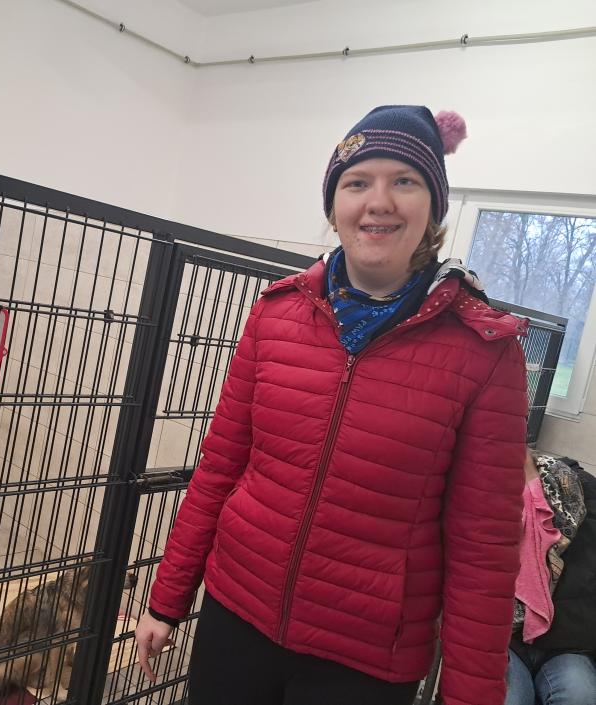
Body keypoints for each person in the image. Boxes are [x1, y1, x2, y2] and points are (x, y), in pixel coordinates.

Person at [133, 105, 530, 705]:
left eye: (404, 181)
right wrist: (167, 600)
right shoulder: (276, 314)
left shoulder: (484, 351)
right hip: (236, 614)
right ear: (334, 205)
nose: (379, 202)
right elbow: (220, 469)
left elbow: (484, 546)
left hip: (367, 657)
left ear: (433, 206)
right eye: (357, 182)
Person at [505, 451, 596, 705]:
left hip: (567, 647)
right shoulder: (497, 499)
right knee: (507, 698)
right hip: (506, 640)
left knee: (579, 695)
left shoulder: (584, 498)